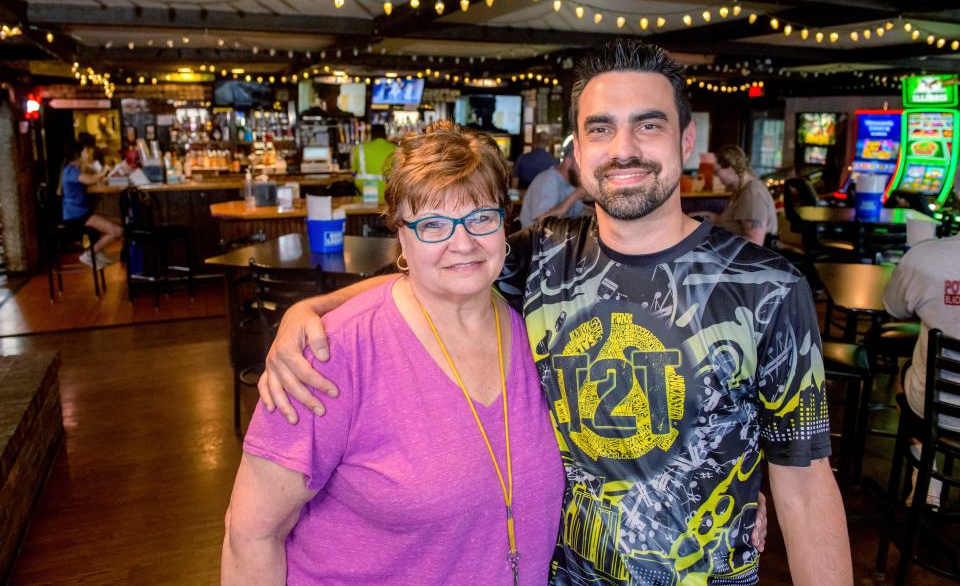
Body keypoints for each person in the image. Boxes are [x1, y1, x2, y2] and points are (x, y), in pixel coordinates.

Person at [260, 39, 835, 585]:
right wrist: (311, 311)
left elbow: (807, 488)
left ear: (686, 140)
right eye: (601, 129)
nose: (624, 148)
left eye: (649, 124)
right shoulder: (541, 254)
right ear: (579, 151)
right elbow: (432, 278)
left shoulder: (768, 287)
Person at [222, 121, 565, 584]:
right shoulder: (330, 354)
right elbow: (251, 534)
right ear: (400, 236)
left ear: (505, 223)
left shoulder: (535, 325)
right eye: (432, 225)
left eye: (480, 217)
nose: (461, 243)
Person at [883, 195, 960, 505]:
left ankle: (928, 483)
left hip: (937, 410)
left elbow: (894, 308)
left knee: (906, 373)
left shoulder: (923, 259)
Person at [694, 145, 778, 246]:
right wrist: (708, 216)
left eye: (717, 172)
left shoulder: (752, 192)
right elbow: (733, 223)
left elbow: (754, 243)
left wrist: (716, 243)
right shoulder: (739, 190)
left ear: (730, 168)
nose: (715, 176)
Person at [59, 138, 122, 268]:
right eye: (85, 152)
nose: (87, 154)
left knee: (116, 222)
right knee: (116, 231)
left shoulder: (72, 169)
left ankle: (97, 254)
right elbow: (89, 180)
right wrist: (104, 171)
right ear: (77, 155)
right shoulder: (71, 170)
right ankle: (89, 254)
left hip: (79, 212)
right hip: (76, 215)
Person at [517, 139, 586, 228]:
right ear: (568, 161)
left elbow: (582, 211)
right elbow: (543, 221)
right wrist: (576, 195)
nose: (583, 169)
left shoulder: (569, 183)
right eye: (580, 163)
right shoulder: (548, 180)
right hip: (535, 240)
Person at [350, 123, 394, 203]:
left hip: (365, 192)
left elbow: (353, 172)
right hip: (389, 193)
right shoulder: (395, 149)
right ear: (385, 134)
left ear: (371, 135)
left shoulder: (360, 149)